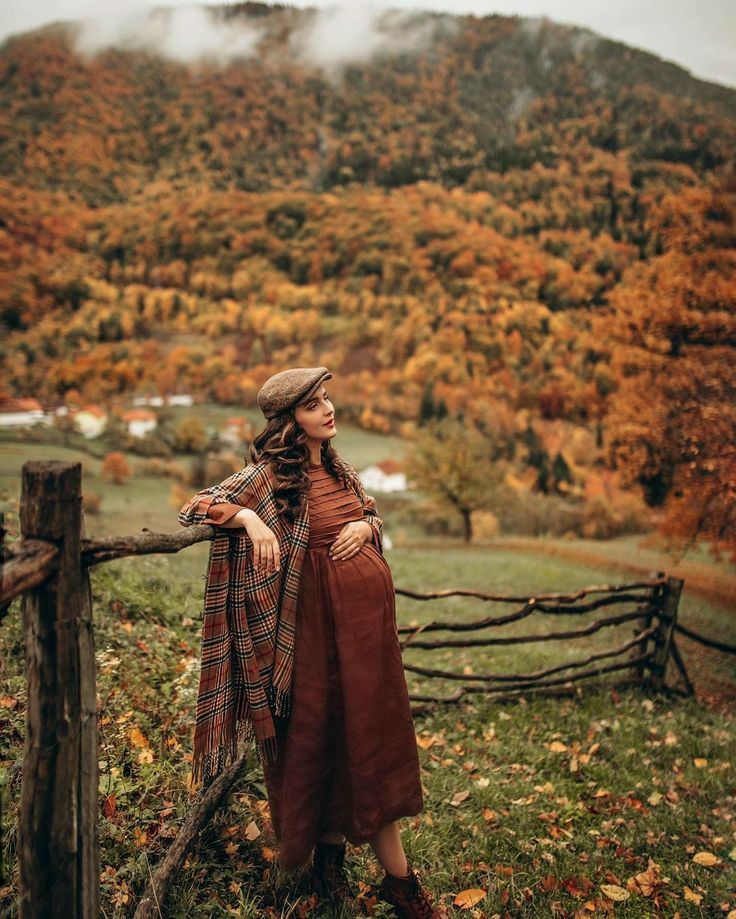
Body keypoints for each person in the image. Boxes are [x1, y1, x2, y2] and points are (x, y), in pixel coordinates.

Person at [178, 367, 445, 918]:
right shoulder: (273, 476)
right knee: (322, 741)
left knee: (369, 742)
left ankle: (331, 871)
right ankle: (402, 888)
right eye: (312, 404)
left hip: (367, 644)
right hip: (315, 643)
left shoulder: (342, 472)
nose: (328, 409)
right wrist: (250, 519)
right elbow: (195, 505)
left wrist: (367, 529)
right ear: (288, 421)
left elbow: (367, 514)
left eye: (326, 398)